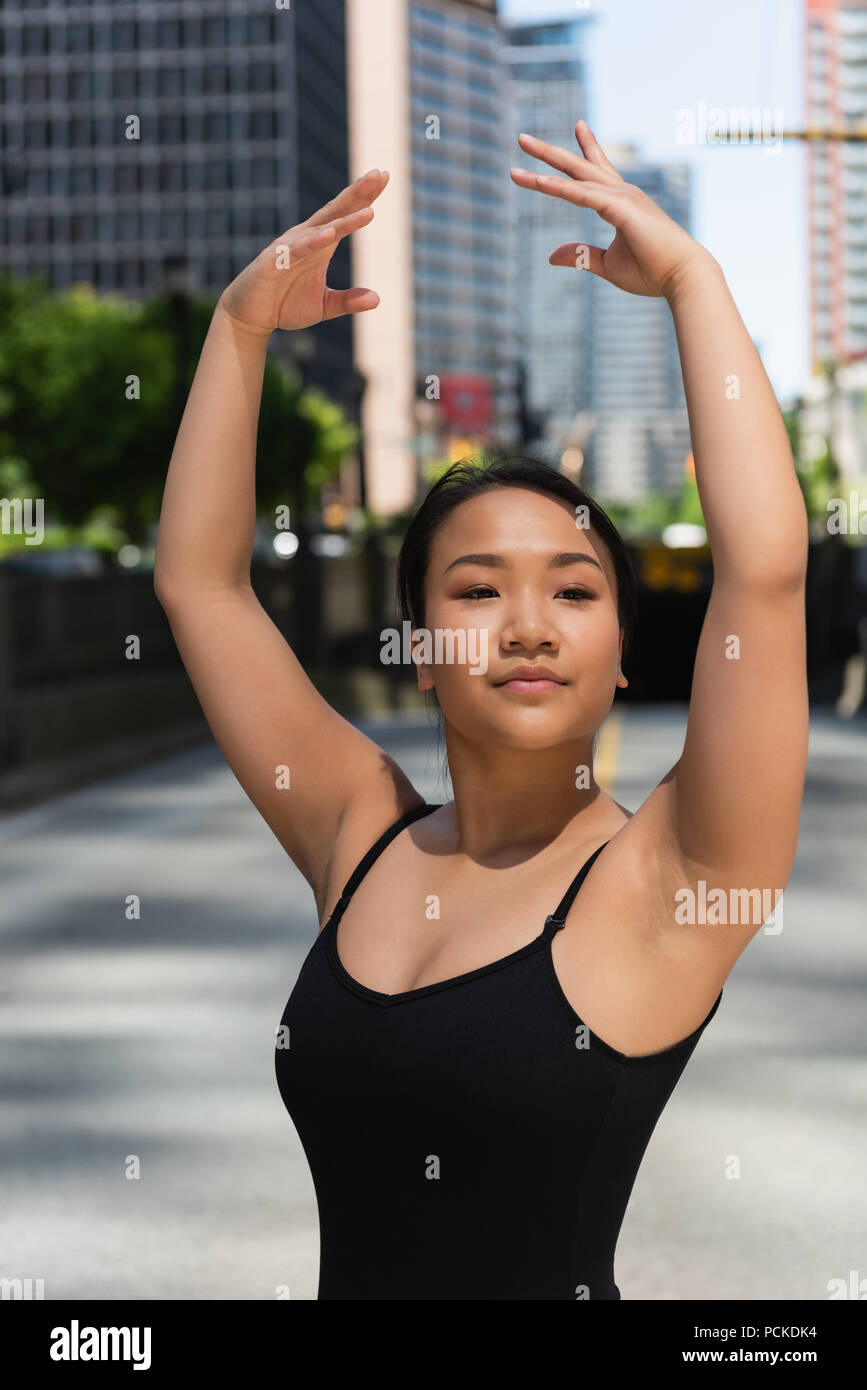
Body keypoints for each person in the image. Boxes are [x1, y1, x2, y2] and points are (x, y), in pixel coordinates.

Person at [154, 121, 809, 1300]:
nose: (527, 623)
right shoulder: (358, 833)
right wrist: (239, 330)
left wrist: (693, 284)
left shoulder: (671, 878)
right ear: (421, 649)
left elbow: (763, 572)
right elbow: (201, 586)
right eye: (476, 588)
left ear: (621, 655)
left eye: (573, 588)